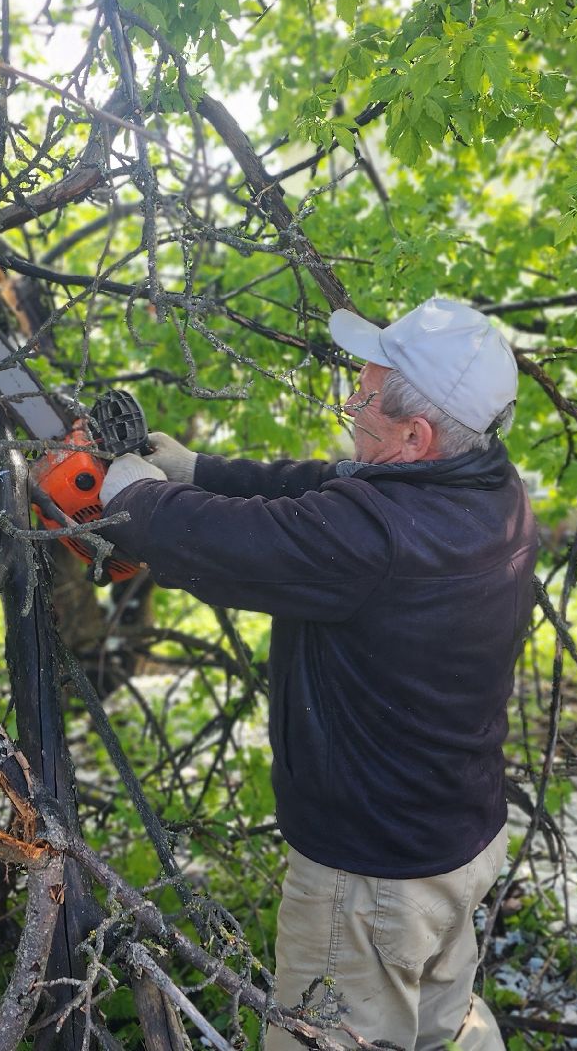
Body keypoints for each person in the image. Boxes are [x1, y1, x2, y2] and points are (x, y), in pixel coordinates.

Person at [92, 298, 537, 1050]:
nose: (350, 407)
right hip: (455, 841)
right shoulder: (487, 488)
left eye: (363, 399)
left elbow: (241, 547)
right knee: (438, 1032)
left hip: (370, 884)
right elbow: (321, 486)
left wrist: (135, 499)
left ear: (413, 435)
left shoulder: (375, 537)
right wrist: (198, 471)